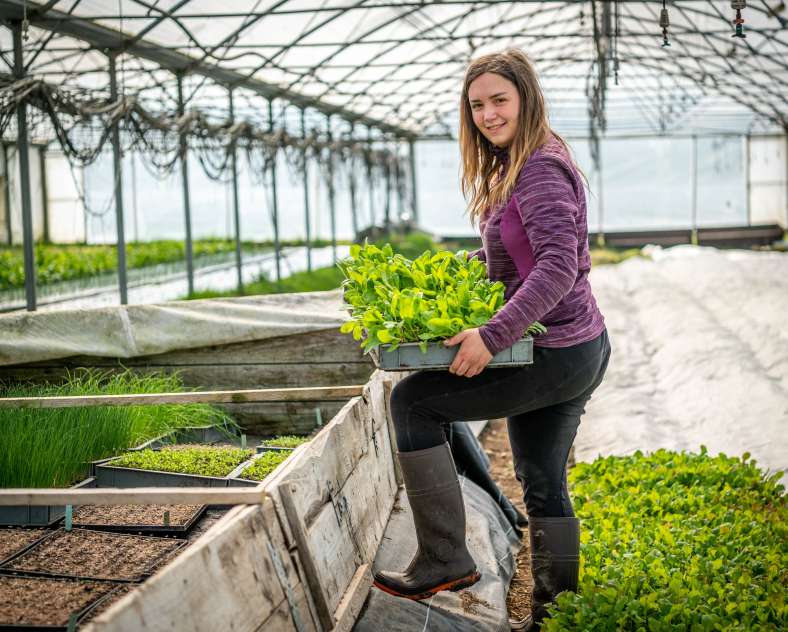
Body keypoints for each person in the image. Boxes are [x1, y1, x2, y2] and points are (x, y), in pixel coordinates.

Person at [371, 49, 611, 630]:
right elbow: (514, 256)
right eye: (476, 104)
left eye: (499, 100)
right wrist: (454, 276)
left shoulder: (539, 169)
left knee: (414, 401)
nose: (487, 114)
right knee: (542, 478)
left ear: (526, 98)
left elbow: (556, 265)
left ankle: (444, 557)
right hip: (574, 347)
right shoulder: (516, 163)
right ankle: (556, 614)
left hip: (554, 350)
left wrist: (491, 332)